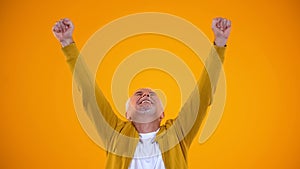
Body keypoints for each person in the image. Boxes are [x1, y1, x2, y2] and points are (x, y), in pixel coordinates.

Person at [52, 16, 231, 169]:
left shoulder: (177, 133)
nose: (145, 95)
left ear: (162, 114)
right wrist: (67, 43)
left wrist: (220, 43)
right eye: (138, 94)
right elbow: (89, 94)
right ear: (127, 114)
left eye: (152, 94)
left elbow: (204, 93)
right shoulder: (115, 133)